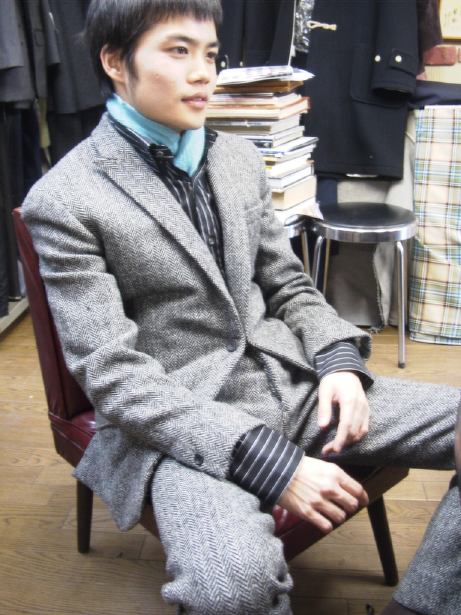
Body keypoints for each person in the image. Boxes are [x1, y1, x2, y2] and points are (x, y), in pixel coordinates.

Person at [22, 1, 460, 614]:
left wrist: (338, 362)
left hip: (292, 385)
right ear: (116, 62)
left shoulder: (237, 158)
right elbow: (113, 375)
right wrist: (271, 463)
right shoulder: (66, 198)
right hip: (179, 420)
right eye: (179, 51)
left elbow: (289, 285)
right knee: (232, 586)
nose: (204, 71)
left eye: (210, 53)